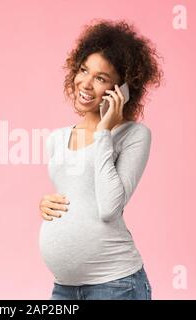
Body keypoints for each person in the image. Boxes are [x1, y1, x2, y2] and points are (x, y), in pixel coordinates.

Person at [38, 18, 164, 300]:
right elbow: (77, 195)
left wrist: (104, 131)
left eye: (101, 78)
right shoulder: (57, 138)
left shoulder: (133, 135)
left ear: (121, 90)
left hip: (115, 285)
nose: (86, 83)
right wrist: (45, 205)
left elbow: (109, 207)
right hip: (63, 287)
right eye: (84, 70)